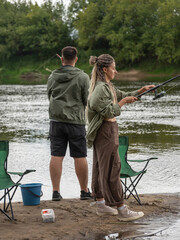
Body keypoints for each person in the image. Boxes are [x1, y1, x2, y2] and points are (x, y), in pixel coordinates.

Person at [86, 54, 155, 221]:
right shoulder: (101, 87)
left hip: (105, 131)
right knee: (113, 167)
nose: (116, 71)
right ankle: (121, 209)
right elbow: (102, 107)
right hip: (106, 131)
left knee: (99, 166)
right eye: (113, 68)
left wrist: (140, 91)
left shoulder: (107, 85)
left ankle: (101, 204)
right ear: (104, 69)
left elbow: (122, 94)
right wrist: (123, 102)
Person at [47, 46, 91, 201]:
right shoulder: (83, 77)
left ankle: (55, 192)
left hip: (56, 121)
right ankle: (84, 191)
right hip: (76, 122)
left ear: (62, 59)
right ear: (76, 59)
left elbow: (49, 95)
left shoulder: (53, 75)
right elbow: (87, 100)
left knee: (56, 155)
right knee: (80, 155)